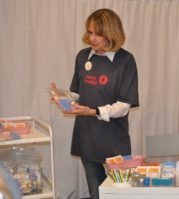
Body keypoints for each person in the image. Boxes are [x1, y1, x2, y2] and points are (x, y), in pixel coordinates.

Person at [51, 8, 139, 199]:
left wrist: (93, 111)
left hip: (114, 138)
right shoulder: (82, 57)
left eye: (98, 33)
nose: (92, 38)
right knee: (96, 193)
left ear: (111, 33)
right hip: (87, 136)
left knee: (121, 191)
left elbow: (124, 105)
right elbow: (77, 93)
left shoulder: (126, 61)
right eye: (90, 32)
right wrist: (64, 99)